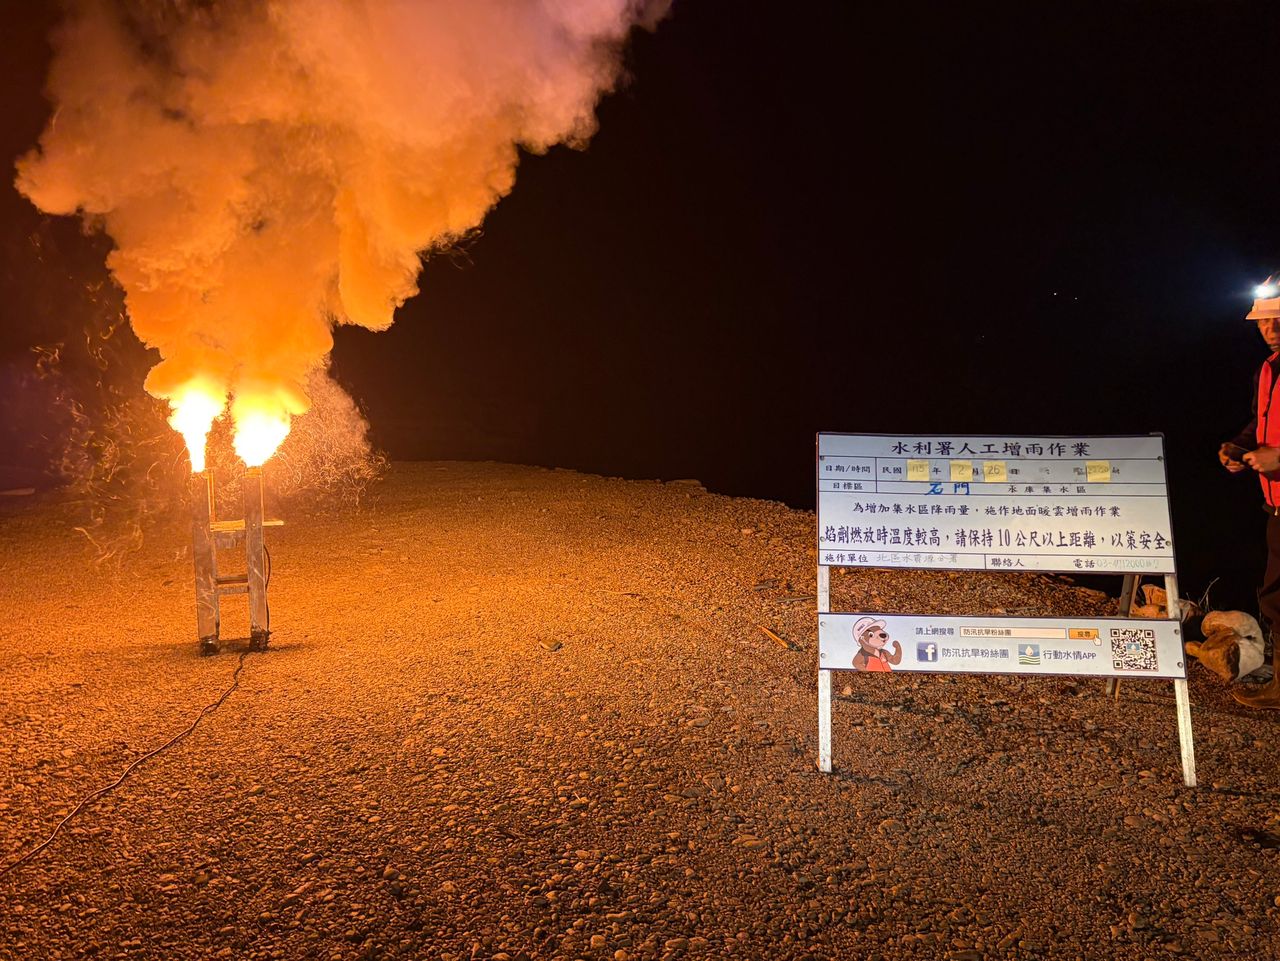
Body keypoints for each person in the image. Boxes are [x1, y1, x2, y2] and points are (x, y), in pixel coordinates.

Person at [1220, 287, 1280, 708]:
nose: (1270, 328)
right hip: (1276, 503)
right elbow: (1262, 422)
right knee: (1276, 594)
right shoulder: (1269, 368)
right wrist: (1240, 447)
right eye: (1262, 320)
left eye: (1277, 318)